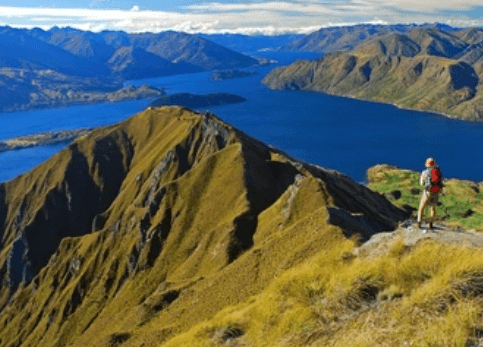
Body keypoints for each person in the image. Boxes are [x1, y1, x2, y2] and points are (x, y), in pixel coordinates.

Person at [417, 157, 443, 232]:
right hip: (436, 192)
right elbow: (440, 181)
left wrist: (425, 186)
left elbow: (421, 183)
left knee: (422, 206)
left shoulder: (425, 172)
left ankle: (419, 221)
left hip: (427, 191)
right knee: (433, 207)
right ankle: (431, 222)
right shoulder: (438, 171)